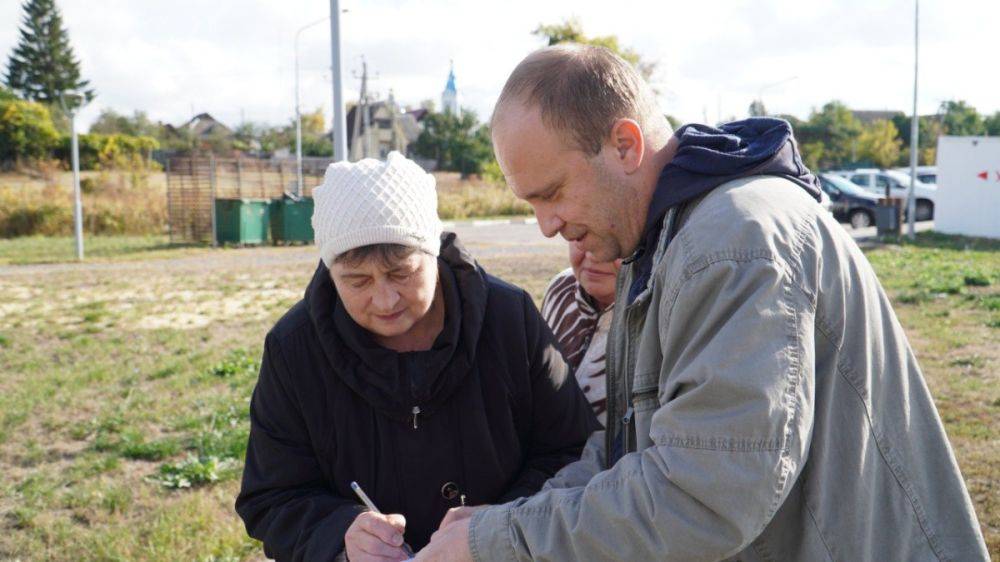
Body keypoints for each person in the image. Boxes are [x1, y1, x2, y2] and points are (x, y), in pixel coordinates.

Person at [417, 45, 988, 561]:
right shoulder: (670, 246)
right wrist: (501, 524)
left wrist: (500, 542)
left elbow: (703, 495)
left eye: (553, 193)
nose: (545, 227)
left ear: (625, 145)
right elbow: (635, 451)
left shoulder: (732, 244)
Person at [235, 152, 599, 561]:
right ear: (330, 272)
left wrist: (503, 525)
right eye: (357, 281)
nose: (385, 300)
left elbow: (575, 454)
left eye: (402, 273)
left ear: (433, 252)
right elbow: (271, 498)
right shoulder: (295, 348)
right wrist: (341, 535)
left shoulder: (508, 318)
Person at [540, 241, 621, 426]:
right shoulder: (561, 290)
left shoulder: (654, 311)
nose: (593, 255)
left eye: (609, 238)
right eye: (581, 235)